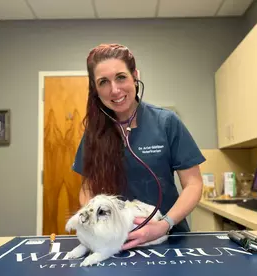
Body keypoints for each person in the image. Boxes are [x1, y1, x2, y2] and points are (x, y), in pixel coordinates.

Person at [72, 43, 206, 250]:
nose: (114, 89)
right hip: (116, 242)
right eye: (103, 82)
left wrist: (164, 224)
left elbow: (193, 184)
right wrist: (96, 222)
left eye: (121, 77)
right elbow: (88, 186)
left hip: (167, 238)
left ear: (135, 75)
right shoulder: (94, 133)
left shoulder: (166, 122)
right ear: (95, 89)